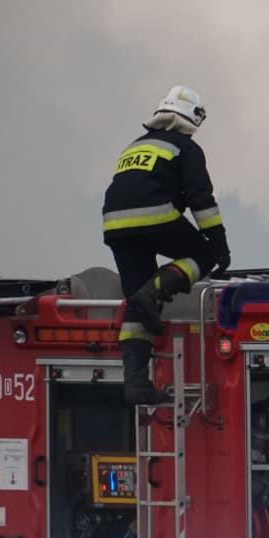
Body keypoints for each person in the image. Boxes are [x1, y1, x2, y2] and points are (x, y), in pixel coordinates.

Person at [101, 85, 231, 403]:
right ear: (192, 117)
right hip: (154, 216)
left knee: (137, 305)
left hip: (114, 223)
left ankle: (136, 385)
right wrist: (219, 244)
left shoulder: (135, 146)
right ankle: (154, 291)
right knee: (201, 256)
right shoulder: (185, 148)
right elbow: (201, 200)